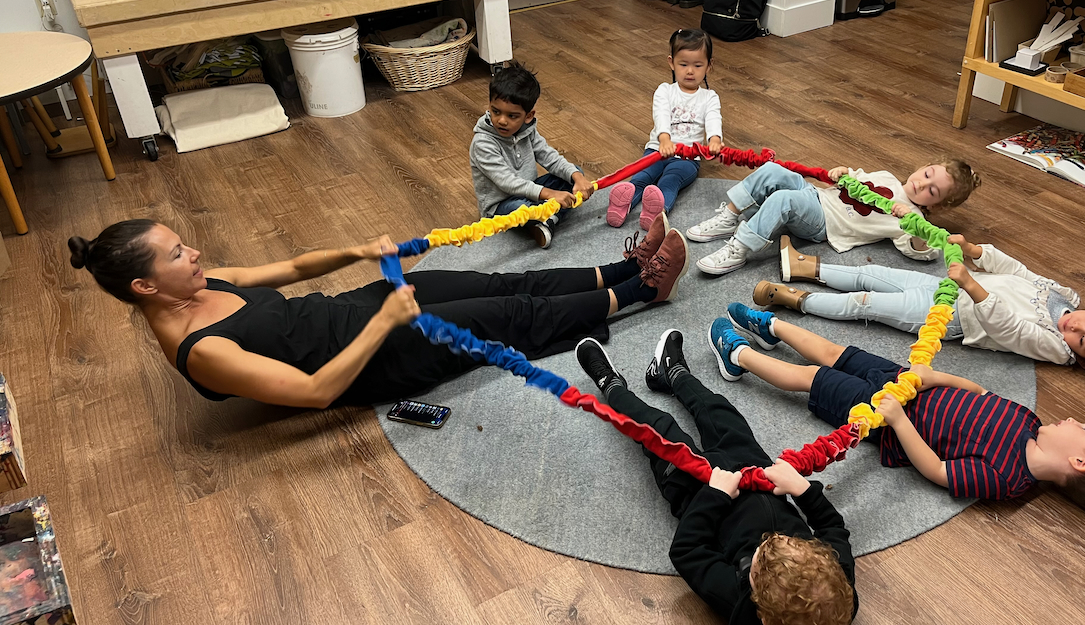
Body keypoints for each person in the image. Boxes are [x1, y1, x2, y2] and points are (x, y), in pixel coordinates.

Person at [66, 214, 688, 409]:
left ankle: (625, 268)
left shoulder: (201, 283)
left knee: (491, 280)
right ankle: (642, 293)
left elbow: (287, 271)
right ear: (147, 288)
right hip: (372, 360)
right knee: (504, 316)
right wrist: (387, 321)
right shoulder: (201, 352)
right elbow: (314, 392)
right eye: (177, 253)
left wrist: (357, 252)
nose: (194, 252)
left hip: (354, 308)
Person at [574, 329, 856, 625]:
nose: (776, 538)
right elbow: (831, 526)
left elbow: (686, 552)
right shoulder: (835, 588)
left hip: (698, 489)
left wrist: (715, 496)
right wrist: (802, 489)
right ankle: (673, 375)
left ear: (761, 615)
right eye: (791, 541)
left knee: (656, 428)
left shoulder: (737, 600)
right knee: (719, 412)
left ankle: (611, 386)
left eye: (758, 558)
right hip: (758, 473)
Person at [707, 312, 1085, 513]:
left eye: (1083, 427)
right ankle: (772, 326)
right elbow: (979, 391)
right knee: (836, 352)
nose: (1070, 420)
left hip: (884, 414)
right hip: (906, 383)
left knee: (811, 377)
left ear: (1080, 462)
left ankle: (737, 355)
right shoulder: (1030, 421)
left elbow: (936, 469)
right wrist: (934, 377)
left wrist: (896, 419)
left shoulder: (1008, 480)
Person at [751, 234, 1085, 381]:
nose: (1075, 328)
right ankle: (806, 266)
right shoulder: (1065, 296)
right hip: (950, 287)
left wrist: (971, 285)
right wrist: (978, 252)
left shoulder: (1054, 348)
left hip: (952, 315)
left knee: (867, 303)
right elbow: (1018, 272)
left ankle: (795, 300)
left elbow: (1009, 328)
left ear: (1080, 359)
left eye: (1082, 342)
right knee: (871, 275)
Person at [685, 158, 981, 276]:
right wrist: (840, 174)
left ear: (939, 205)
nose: (922, 184)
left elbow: (924, 252)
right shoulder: (886, 176)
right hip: (819, 195)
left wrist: (915, 226)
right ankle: (730, 215)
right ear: (924, 166)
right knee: (773, 170)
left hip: (825, 221)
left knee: (783, 199)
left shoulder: (910, 218)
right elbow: (848, 180)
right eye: (927, 175)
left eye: (933, 191)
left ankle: (741, 248)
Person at [607, 29, 724, 230]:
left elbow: (714, 118)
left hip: (687, 158)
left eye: (698, 65)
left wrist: (714, 139)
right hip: (657, 150)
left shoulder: (709, 97)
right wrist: (664, 139)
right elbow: (661, 115)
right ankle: (621, 205)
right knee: (643, 176)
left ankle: (657, 212)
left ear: (709, 66)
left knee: (670, 181)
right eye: (683, 64)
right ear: (671, 62)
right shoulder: (664, 91)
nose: (690, 71)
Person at [470, 62, 594, 249]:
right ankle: (548, 217)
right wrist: (550, 194)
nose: (502, 120)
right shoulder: (482, 143)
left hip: (532, 193)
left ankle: (546, 219)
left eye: (512, 116)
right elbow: (507, 182)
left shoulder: (527, 130)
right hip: (500, 206)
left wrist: (577, 177)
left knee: (574, 172)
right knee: (522, 209)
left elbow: (549, 156)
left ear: (528, 116)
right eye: (496, 111)